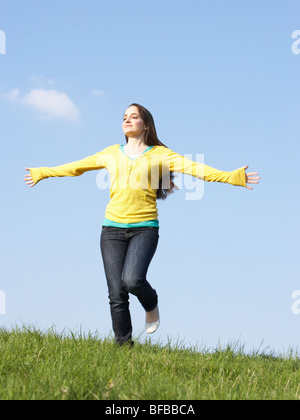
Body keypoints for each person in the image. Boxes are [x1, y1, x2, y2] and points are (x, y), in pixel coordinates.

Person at [24, 103, 260, 346]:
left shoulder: (161, 155)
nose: (127, 120)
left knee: (132, 280)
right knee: (116, 293)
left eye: (133, 117)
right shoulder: (111, 153)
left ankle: (151, 303)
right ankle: (123, 347)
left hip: (144, 229)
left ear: (145, 125)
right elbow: (76, 167)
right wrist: (44, 171)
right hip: (111, 230)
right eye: (124, 117)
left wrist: (231, 177)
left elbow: (197, 169)